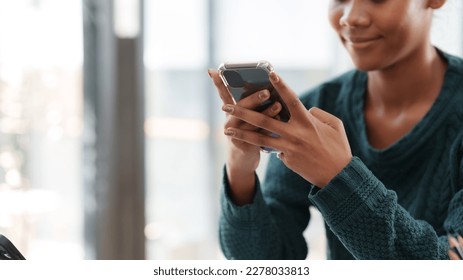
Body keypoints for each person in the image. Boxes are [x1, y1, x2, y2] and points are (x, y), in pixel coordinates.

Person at [208, 0, 463, 260]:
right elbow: (264, 264)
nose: (351, 18)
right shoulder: (312, 112)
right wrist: (240, 170)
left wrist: (339, 176)